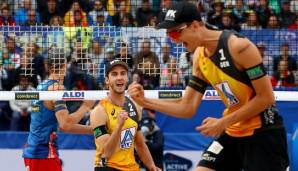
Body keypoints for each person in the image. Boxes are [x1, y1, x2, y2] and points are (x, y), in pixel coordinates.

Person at [128, 2, 289, 171]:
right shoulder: (199, 55)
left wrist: (222, 122)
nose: (173, 40)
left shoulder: (240, 47)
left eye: (175, 32)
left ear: (195, 26)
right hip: (233, 131)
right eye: (169, 34)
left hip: (263, 132)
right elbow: (187, 107)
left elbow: (266, 98)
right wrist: (145, 101)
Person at [23, 48, 94, 171]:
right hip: (43, 153)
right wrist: (86, 107)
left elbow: (62, 125)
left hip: (34, 150)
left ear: (47, 65)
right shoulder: (57, 88)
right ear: (65, 65)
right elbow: (65, 125)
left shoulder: (42, 86)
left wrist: (93, 130)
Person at [89, 60, 161, 171]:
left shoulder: (135, 107)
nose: (119, 77)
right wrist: (118, 126)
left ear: (127, 78)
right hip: (108, 167)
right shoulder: (99, 111)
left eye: (123, 73)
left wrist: (151, 166)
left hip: (130, 167)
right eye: (114, 74)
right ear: (107, 80)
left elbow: (140, 143)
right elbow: (105, 153)